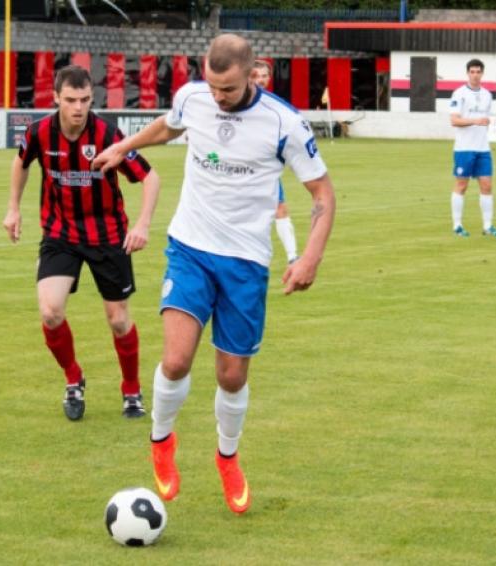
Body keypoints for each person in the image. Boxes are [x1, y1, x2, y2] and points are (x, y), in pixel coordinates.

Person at [92, 34, 336, 514]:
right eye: (211, 85)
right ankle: (161, 441)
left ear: (252, 74)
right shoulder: (194, 97)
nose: (218, 97)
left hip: (245, 262)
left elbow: (323, 195)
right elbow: (170, 126)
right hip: (191, 248)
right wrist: (124, 145)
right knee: (178, 359)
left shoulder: (284, 123)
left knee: (230, 376)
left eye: (227, 89)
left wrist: (310, 257)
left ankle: (227, 455)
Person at [2, 65, 159, 421]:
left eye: (85, 100)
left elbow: (151, 178)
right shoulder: (40, 132)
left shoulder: (107, 134)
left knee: (118, 320)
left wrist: (143, 224)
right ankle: (74, 378)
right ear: (56, 97)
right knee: (50, 311)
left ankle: (131, 389)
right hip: (60, 235)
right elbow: (21, 162)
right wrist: (13, 209)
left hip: (107, 236)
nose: (78, 107)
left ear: (92, 99)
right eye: (71, 100)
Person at [449, 59, 496, 238]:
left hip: (483, 148)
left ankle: (488, 226)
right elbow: (454, 120)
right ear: (467, 73)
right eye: (472, 71)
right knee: (461, 185)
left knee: (487, 185)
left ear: (482, 73)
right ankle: (457, 225)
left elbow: (484, 120)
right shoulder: (459, 93)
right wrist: (475, 121)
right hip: (464, 148)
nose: (475, 75)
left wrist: (483, 123)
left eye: (478, 71)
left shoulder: (487, 94)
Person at [253, 59, 299, 263]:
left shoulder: (274, 105)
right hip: (238, 168)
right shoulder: (236, 102)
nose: (260, 80)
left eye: (264, 76)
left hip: (264, 168)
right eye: (256, 76)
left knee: (280, 208)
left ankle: (292, 256)